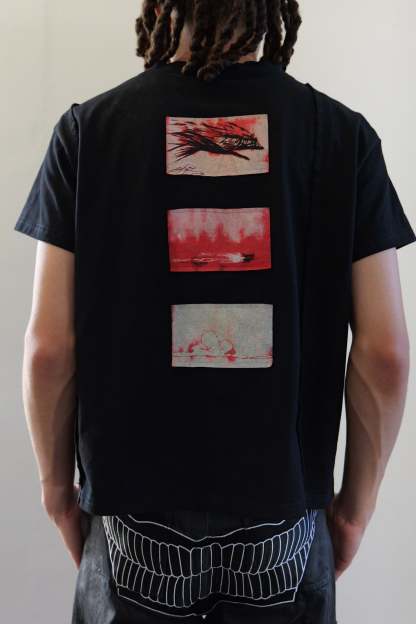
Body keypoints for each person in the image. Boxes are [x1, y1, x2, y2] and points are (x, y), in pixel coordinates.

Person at [13, 1, 415, 622]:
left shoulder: (88, 133)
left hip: (133, 531)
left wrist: (57, 494)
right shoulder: (342, 136)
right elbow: (386, 354)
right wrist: (354, 512)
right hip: (283, 526)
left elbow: (49, 350)